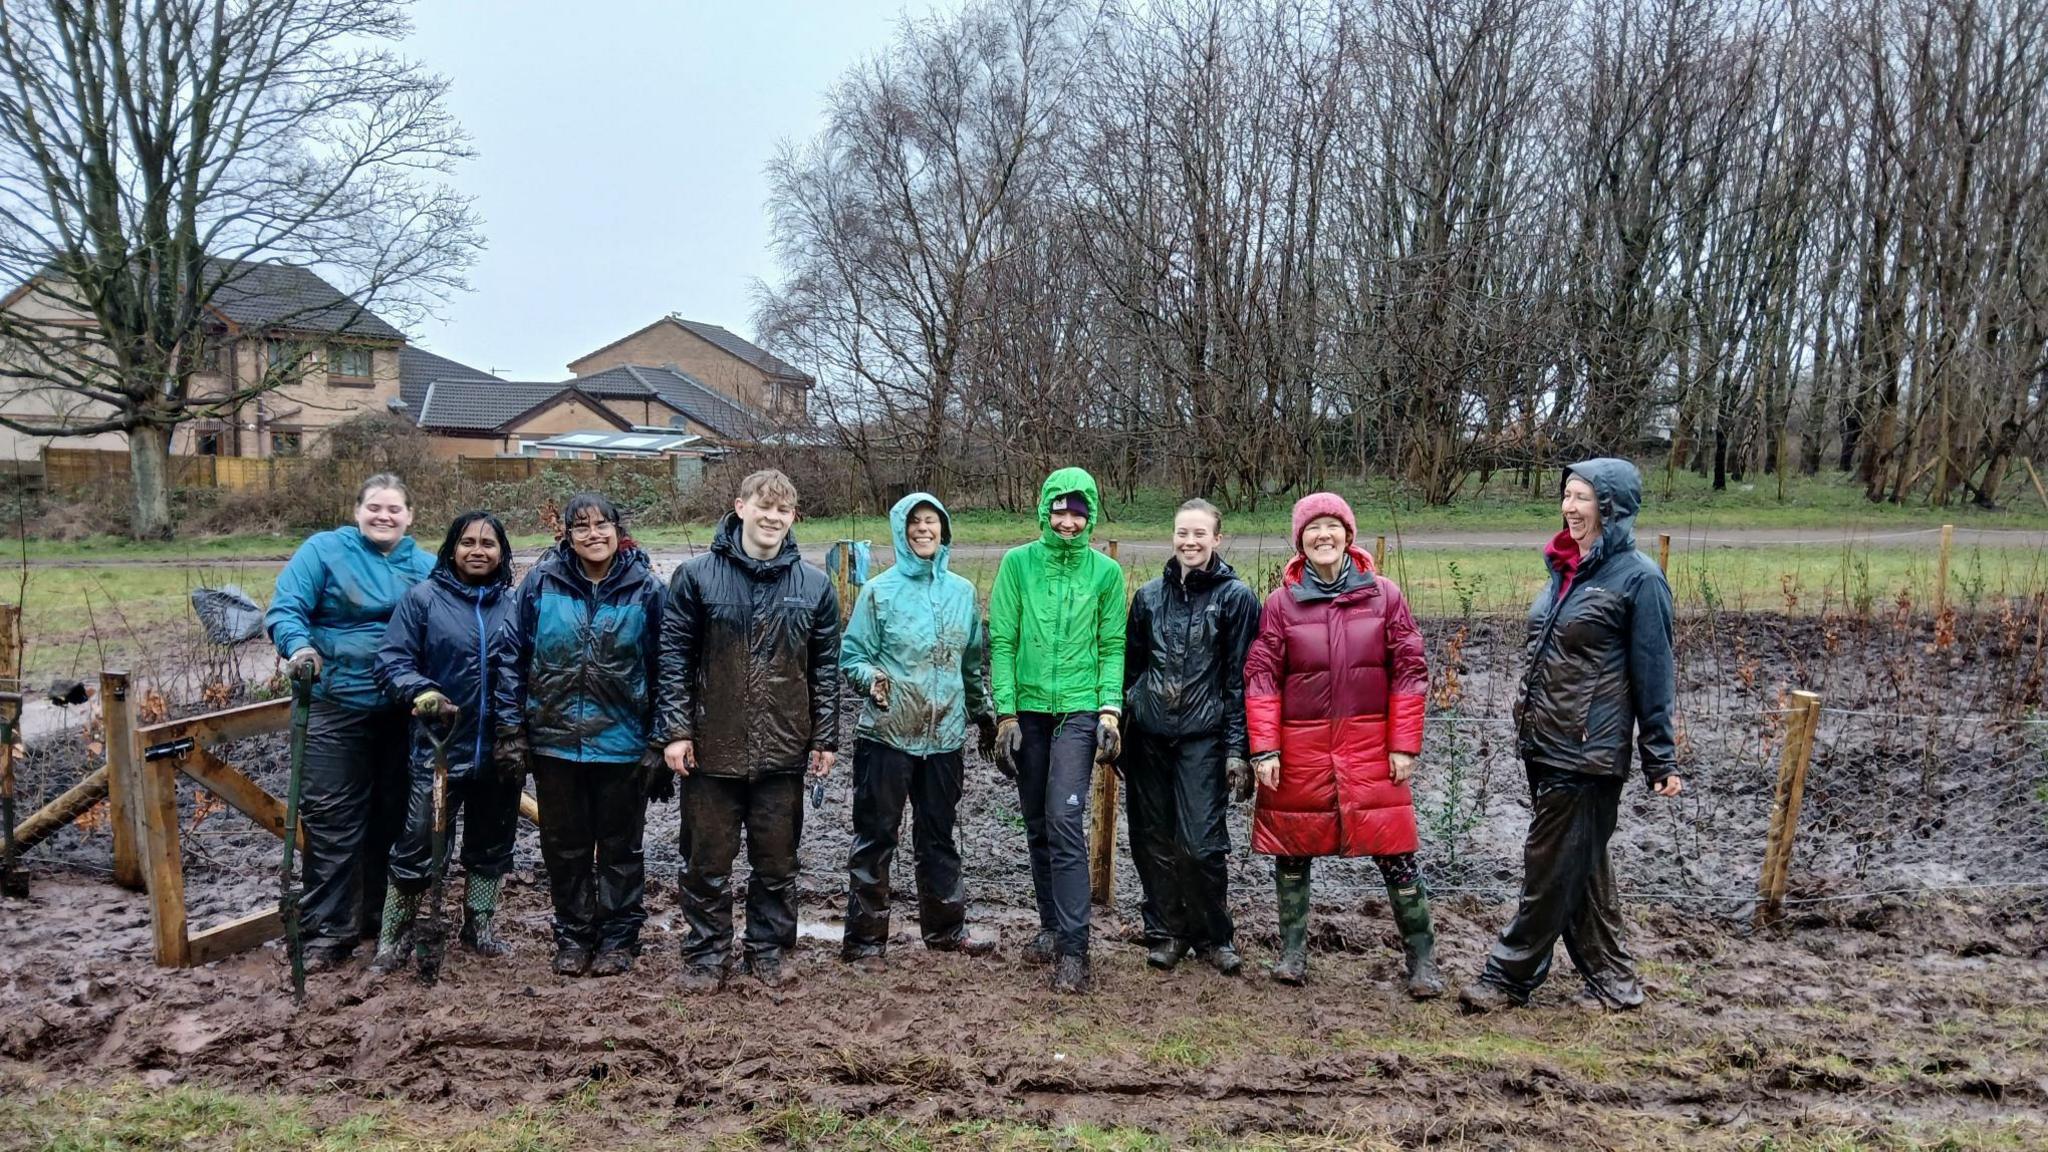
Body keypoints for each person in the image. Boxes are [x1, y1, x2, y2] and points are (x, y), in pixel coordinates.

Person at [1460, 459, 1681, 1013]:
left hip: (1588, 752)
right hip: (1546, 742)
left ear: (1613, 507)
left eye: (1583, 497)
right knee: (1578, 866)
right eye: (1566, 495)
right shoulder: (1566, 572)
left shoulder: (1641, 580)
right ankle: (1616, 982)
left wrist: (1660, 757)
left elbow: (1654, 671)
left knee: (1549, 866)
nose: (1570, 507)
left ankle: (1507, 976)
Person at [1243, 492, 1443, 996]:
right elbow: (1261, 677)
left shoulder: (1385, 596)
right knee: (1292, 851)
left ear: (1348, 535)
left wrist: (1404, 745)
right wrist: (1265, 749)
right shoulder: (1280, 605)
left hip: (1371, 748)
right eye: (1313, 529)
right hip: (1300, 751)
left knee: (1397, 854)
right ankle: (1292, 954)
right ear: (1300, 541)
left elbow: (1411, 672)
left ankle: (1422, 961)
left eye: (1332, 526)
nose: (1323, 536)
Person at [658, 469, 839, 992]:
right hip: (711, 749)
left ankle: (768, 952)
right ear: (740, 507)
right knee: (705, 863)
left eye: (782, 510)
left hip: (783, 752)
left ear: (793, 518)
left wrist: (824, 738)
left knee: (777, 864)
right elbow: (673, 659)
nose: (772, 517)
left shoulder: (814, 585)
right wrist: (675, 731)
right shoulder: (695, 577)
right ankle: (706, 956)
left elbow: (824, 668)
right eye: (763, 506)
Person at [264, 474, 435, 969]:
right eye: (374, 507)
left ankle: (380, 919)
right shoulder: (323, 551)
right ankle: (327, 932)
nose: (384, 516)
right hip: (335, 702)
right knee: (334, 820)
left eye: (394, 509)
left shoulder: (424, 566)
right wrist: (299, 648)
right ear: (357, 510)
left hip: (400, 710)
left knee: (393, 816)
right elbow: (286, 609)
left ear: (410, 517)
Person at [492, 493, 666, 978]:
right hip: (554, 740)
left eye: (602, 524)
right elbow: (512, 656)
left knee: (620, 847)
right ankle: (572, 935)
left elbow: (666, 668)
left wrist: (660, 739)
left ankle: (618, 939)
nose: (593, 534)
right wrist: (510, 730)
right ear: (566, 535)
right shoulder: (542, 584)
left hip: (622, 742)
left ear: (618, 528)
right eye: (581, 526)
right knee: (563, 847)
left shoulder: (647, 590)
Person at [837, 492, 1000, 968]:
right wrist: (871, 680)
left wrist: (982, 712)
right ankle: (865, 942)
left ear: (944, 530)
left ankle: (947, 931)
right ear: (901, 530)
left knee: (939, 837)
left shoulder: (963, 593)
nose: (924, 530)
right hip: (886, 735)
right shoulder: (879, 592)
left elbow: (972, 664)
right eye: (915, 522)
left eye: (932, 522)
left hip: (944, 738)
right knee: (875, 838)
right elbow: (851, 656)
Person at [987, 467, 1127, 994]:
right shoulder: (1017, 564)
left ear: (1090, 515)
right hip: (1029, 712)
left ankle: (1075, 949)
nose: (1068, 521)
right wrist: (1005, 714)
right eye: (1060, 510)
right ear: (1045, 510)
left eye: (1078, 512)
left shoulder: (1105, 573)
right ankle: (1049, 925)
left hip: (1078, 711)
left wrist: (1109, 709)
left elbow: (1112, 646)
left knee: (1065, 820)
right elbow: (1002, 640)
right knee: (1037, 824)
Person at [370, 511, 522, 970]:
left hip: (499, 749)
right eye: (468, 542)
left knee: (492, 843)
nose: (478, 550)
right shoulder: (423, 601)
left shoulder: (516, 605)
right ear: (451, 548)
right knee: (419, 845)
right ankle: (393, 937)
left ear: (502, 553)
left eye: (489, 543)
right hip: (437, 750)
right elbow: (391, 660)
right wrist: (421, 690)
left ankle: (479, 924)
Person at [1122, 498, 1262, 975]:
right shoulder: (1147, 598)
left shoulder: (1236, 598)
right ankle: (1165, 930)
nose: (1190, 541)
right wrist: (1125, 724)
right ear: (1173, 536)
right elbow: (1132, 669)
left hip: (1204, 738)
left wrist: (1239, 749)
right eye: (1183, 533)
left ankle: (1213, 934)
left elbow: (1242, 679)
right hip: (1149, 738)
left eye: (1200, 534)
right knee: (1151, 839)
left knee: (1201, 845)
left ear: (1217, 539)